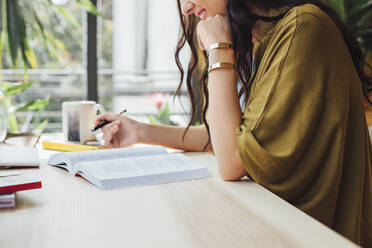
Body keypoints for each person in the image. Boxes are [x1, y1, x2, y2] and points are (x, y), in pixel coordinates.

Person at [96, 0, 372, 246]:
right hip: (273, 222)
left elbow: (232, 160)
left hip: (308, 233)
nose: (186, 9)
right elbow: (233, 136)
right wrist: (140, 131)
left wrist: (218, 52)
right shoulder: (264, 36)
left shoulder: (301, 29)